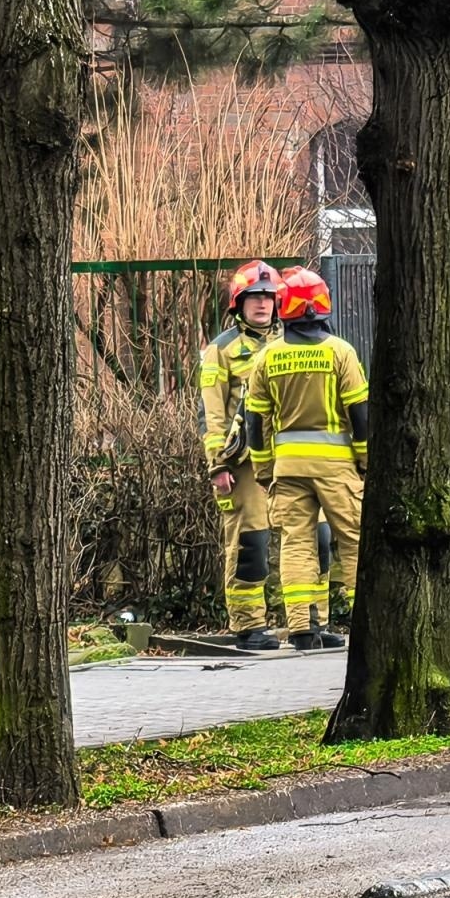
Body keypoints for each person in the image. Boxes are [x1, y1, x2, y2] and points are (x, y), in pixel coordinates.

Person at [245, 266, 367, 650]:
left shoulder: (268, 358)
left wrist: (264, 469)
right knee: (353, 542)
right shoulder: (340, 353)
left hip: (288, 467)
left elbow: (254, 422)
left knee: (296, 542)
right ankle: (366, 621)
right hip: (337, 468)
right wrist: (365, 460)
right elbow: (360, 413)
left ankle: (301, 628)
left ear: (285, 307)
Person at [199, 259, 284, 651]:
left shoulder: (292, 342)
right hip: (244, 460)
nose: (262, 304)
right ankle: (249, 625)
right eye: (254, 297)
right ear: (239, 303)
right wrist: (217, 464)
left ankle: (308, 624)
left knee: (311, 540)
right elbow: (212, 412)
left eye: (268, 296)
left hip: (290, 456)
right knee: (250, 542)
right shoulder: (222, 350)